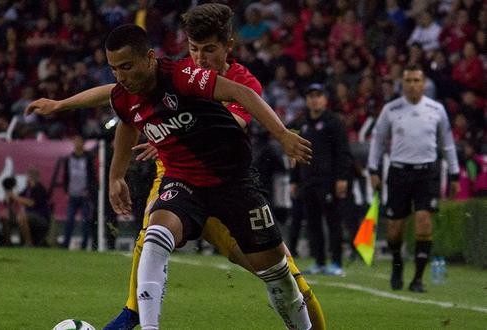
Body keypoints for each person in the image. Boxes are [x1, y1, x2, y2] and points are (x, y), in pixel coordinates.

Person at [26, 5, 325, 330]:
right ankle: (135, 319)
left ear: (228, 47)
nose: (199, 57)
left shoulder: (230, 80)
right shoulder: (165, 76)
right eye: (193, 49)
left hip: (232, 188)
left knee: (283, 276)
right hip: (181, 183)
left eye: (208, 49)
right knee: (153, 237)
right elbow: (121, 103)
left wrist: (278, 133)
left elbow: (236, 119)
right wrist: (63, 106)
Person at [368, 64, 460, 293]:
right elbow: (378, 141)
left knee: (423, 221)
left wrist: (454, 173)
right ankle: (397, 265)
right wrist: (373, 170)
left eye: (416, 80)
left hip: (427, 172)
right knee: (394, 229)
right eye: (408, 81)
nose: (412, 85)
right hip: (399, 172)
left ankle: (418, 278)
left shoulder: (436, 109)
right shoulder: (391, 109)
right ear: (402, 84)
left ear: (424, 83)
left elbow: (447, 143)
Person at [290, 83, 353, 276]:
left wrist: (342, 178)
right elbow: (295, 155)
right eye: (310, 96)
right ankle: (318, 261)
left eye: (318, 95)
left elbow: (343, 153)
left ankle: (336, 262)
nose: (314, 99)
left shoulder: (334, 122)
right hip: (308, 180)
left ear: (325, 99)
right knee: (313, 223)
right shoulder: (302, 123)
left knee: (333, 222)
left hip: (329, 181)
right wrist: (294, 179)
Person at [0, 168, 51, 246]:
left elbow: (30, 203)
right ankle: (7, 243)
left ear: (30, 177)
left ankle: (28, 243)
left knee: (21, 217)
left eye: (27, 176)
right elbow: (14, 199)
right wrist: (9, 194)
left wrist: (14, 197)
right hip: (28, 216)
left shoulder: (39, 188)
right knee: (5, 217)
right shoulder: (27, 189)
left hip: (41, 218)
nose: (26, 178)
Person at [62, 135, 97, 250]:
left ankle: (84, 245)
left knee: (85, 221)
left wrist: (89, 190)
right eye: (75, 141)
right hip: (72, 194)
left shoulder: (88, 158)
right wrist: (66, 190)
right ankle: (65, 244)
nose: (77, 144)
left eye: (79, 141)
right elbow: (66, 176)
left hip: (84, 195)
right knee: (69, 220)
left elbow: (92, 176)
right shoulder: (68, 159)